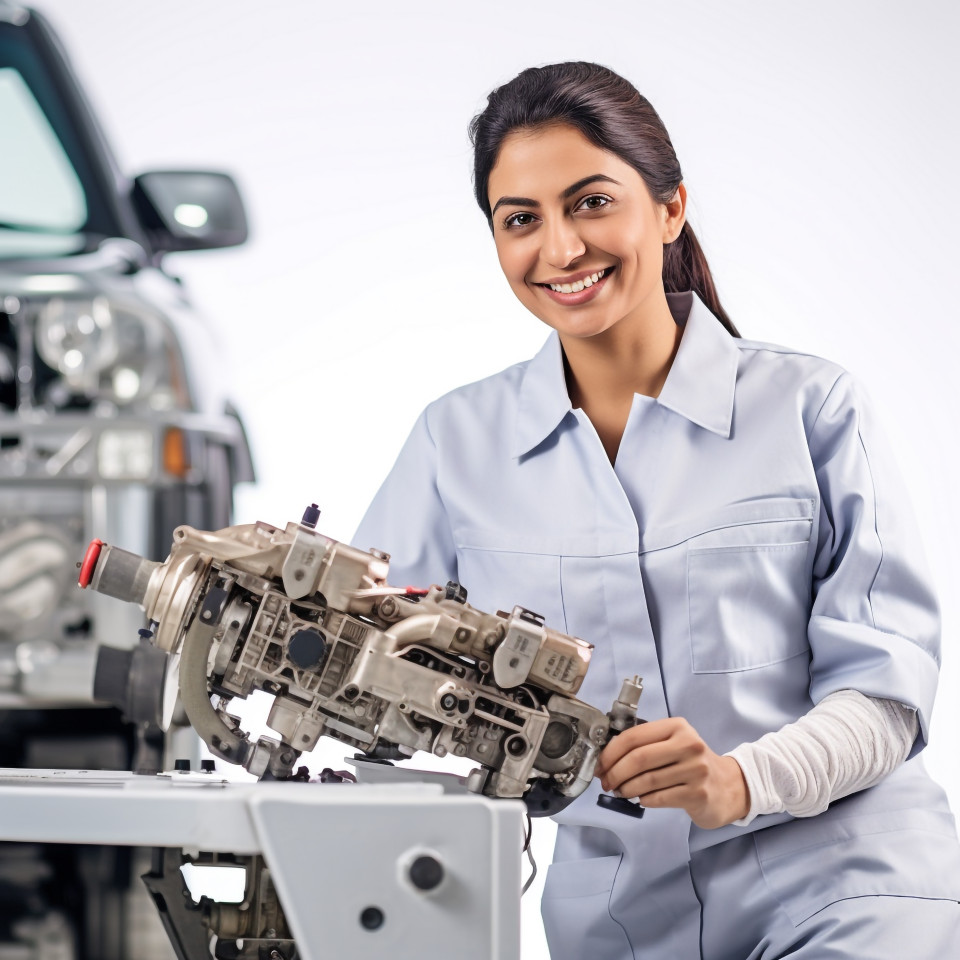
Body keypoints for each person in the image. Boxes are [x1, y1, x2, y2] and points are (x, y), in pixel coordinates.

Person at [353, 61, 960, 958]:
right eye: (521, 219)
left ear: (670, 209)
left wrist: (739, 781)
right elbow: (361, 656)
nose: (559, 250)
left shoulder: (811, 410)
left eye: (592, 202)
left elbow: (885, 694)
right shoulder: (457, 443)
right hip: (621, 921)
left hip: (843, 885)